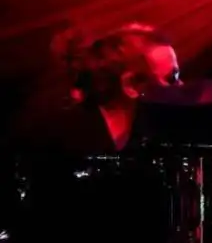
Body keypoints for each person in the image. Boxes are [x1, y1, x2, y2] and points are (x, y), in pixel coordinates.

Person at [6, 22, 183, 243]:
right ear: (130, 84)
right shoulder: (56, 138)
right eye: (172, 77)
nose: (181, 85)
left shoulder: (150, 139)